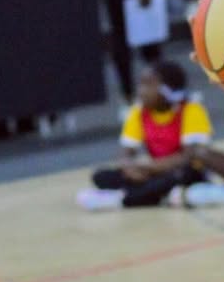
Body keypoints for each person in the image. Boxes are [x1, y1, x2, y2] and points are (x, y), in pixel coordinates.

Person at [76, 60, 216, 211]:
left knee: (181, 175)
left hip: (184, 171)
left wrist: (148, 167)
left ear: (167, 90)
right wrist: (130, 169)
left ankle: (123, 199)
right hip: (154, 172)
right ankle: (160, 194)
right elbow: (126, 154)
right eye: (141, 84)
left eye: (148, 85)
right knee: (100, 176)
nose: (141, 91)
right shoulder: (138, 112)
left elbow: (188, 157)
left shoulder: (191, 110)